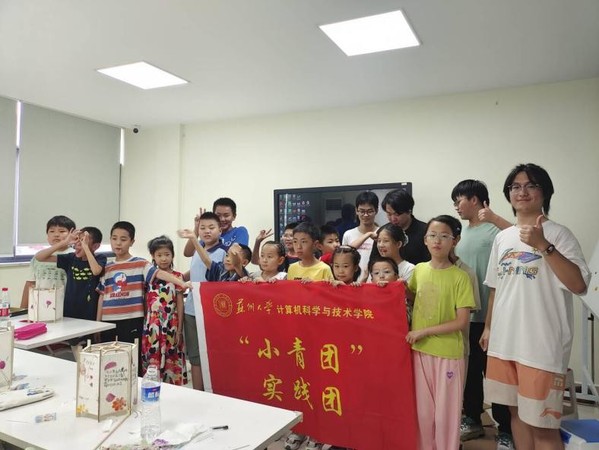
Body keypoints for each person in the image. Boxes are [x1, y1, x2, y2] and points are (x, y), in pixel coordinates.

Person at [480, 163, 590, 450]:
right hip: (505, 343)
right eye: (515, 186)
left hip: (541, 346)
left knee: (542, 425)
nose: (522, 192)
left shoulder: (559, 234)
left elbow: (579, 285)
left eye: (531, 185)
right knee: (516, 415)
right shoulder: (503, 237)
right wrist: (489, 327)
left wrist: (544, 245)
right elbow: (495, 288)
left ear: (545, 192)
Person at [451, 179, 514, 449]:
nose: (456, 207)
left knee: (497, 376)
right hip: (467, 316)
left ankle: (506, 430)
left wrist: (495, 218)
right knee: (470, 373)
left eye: (459, 201)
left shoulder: (496, 231)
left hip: (493, 317)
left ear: (474, 200)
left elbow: (521, 236)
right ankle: (473, 419)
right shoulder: (462, 233)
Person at [405, 215, 475, 450]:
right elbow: (414, 297)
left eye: (444, 236)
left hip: (448, 354)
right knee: (423, 413)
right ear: (425, 240)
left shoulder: (460, 277)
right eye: (432, 235)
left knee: (446, 415)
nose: (437, 241)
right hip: (419, 351)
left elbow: (461, 321)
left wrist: (424, 331)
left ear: (454, 241)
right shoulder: (419, 270)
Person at [97, 221, 189, 374]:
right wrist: (98, 323)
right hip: (114, 321)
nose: (118, 243)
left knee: (133, 360)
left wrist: (181, 282)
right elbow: (102, 296)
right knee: (109, 360)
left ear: (132, 241)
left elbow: (159, 274)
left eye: (123, 239)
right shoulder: (107, 268)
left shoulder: (140, 264)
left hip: (135, 319)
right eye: (114, 238)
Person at [285, 221, 333, 450]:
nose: (298, 246)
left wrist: (313, 288)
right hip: (297, 333)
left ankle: (317, 431)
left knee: (316, 383)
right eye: (295, 241)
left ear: (315, 244)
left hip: (317, 333)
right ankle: (300, 428)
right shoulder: (292, 269)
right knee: (299, 382)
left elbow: (330, 300)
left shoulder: (323, 269)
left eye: (304, 242)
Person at [179, 211, 226, 390]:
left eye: (211, 227)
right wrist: (194, 231)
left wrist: (195, 238)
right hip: (191, 308)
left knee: (211, 353)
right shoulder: (197, 246)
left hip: (209, 310)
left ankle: (212, 391)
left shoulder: (222, 251)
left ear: (220, 230)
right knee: (194, 355)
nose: (206, 231)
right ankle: (197, 393)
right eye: (203, 228)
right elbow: (186, 252)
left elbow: (211, 267)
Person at [35, 227, 106, 323]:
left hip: (90, 312)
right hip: (69, 311)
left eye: (83, 241)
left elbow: (96, 271)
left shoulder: (100, 258)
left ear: (95, 246)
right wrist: (65, 242)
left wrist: (85, 248)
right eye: (77, 240)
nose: (77, 244)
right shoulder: (71, 258)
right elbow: (39, 257)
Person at [142, 235, 187, 386]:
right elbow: (145, 301)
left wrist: (179, 329)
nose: (163, 259)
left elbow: (180, 303)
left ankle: (172, 390)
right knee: (152, 357)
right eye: (159, 255)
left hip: (171, 323)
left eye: (167, 254)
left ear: (172, 255)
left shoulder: (177, 276)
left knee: (172, 356)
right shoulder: (149, 277)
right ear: (153, 256)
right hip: (152, 324)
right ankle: (152, 387)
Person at [21, 215, 76, 308]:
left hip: (65, 307)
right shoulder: (39, 256)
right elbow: (30, 283)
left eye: (62, 231)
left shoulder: (75, 255)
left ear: (72, 234)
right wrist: (23, 309)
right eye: (52, 231)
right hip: (40, 306)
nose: (56, 234)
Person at [381, 189, 430, 265]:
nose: (393, 219)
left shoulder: (425, 231)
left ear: (409, 211)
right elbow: (374, 260)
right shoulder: (383, 231)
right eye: (389, 214)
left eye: (397, 214)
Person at [342, 191, 379, 277]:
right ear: (356, 211)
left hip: (376, 281)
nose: (365, 215)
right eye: (362, 211)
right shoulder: (348, 234)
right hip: (353, 282)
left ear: (376, 211)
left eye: (370, 211)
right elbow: (343, 257)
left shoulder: (382, 233)